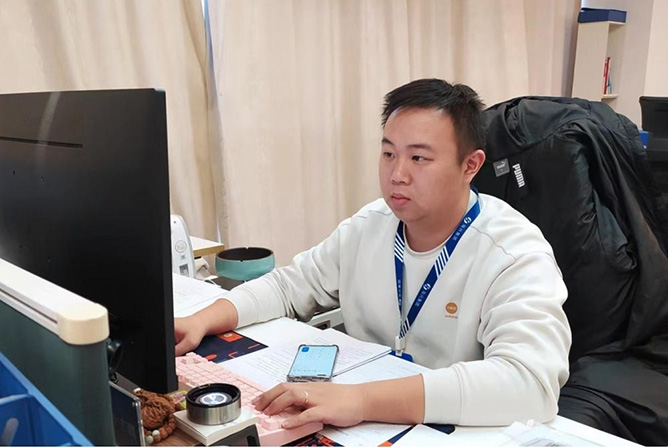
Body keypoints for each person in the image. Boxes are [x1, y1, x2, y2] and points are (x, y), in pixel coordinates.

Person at [174, 78, 571, 429]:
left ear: (471, 165)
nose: (397, 174)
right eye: (388, 154)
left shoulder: (512, 253)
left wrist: (362, 401)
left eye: (418, 158)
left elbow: (530, 384)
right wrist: (201, 320)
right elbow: (288, 286)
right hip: (361, 422)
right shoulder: (370, 226)